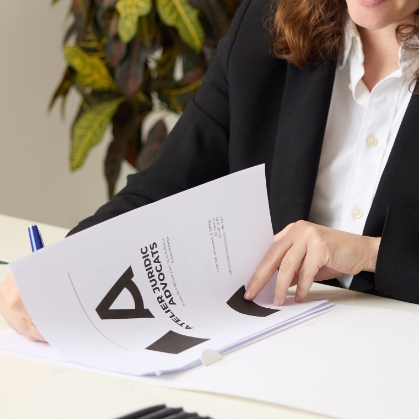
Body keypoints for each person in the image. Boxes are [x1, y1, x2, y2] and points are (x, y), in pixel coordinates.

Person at [1, 0, 419, 342]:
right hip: (270, 343)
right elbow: (167, 183)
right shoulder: (268, 20)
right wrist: (65, 268)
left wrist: (369, 252)